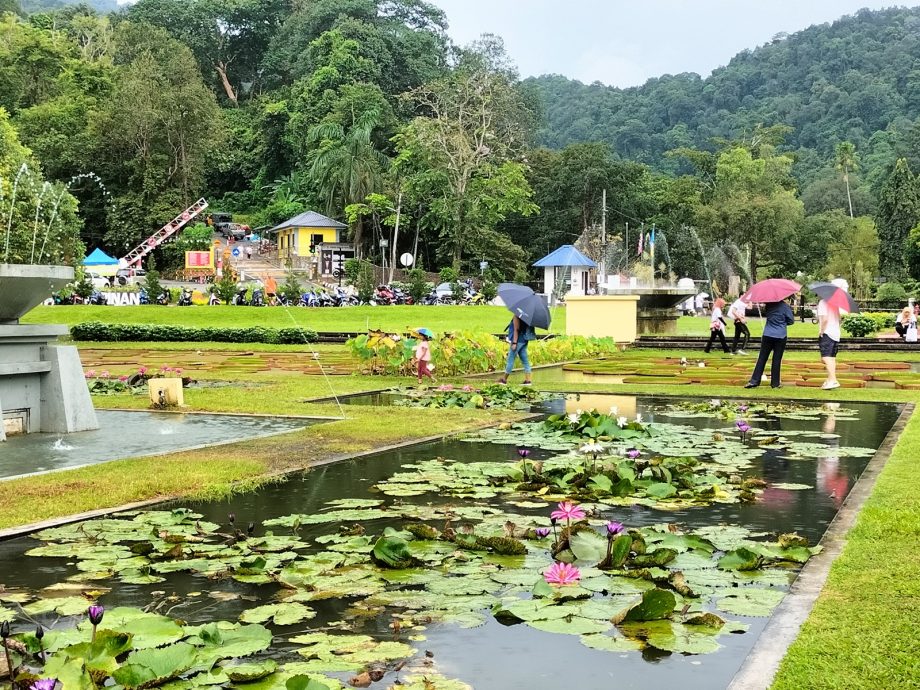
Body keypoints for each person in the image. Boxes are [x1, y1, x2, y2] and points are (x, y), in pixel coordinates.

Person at [745, 297, 796, 389]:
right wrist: (783, 322)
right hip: (780, 335)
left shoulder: (769, 306)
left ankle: (754, 381)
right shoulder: (785, 307)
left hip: (768, 334)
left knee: (762, 358)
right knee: (776, 359)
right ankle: (775, 383)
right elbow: (791, 321)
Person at [817, 278, 847, 390]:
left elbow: (824, 319)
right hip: (835, 332)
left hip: (827, 332)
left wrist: (821, 330)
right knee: (832, 357)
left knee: (826, 357)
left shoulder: (823, 303)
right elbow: (839, 318)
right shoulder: (835, 304)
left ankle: (833, 380)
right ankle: (830, 379)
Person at [498, 315, 536, 385]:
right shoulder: (527, 315)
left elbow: (516, 329)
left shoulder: (517, 315)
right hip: (524, 340)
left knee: (510, 359)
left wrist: (514, 343)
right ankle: (528, 380)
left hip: (517, 340)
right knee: (525, 360)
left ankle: (504, 380)